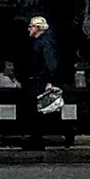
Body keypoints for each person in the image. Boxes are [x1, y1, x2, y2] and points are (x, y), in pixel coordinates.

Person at [23, 16, 60, 150]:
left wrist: (49, 81)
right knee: (35, 112)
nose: (29, 29)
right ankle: (36, 140)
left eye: (31, 26)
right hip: (37, 80)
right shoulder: (41, 42)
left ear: (38, 28)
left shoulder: (44, 43)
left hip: (39, 82)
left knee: (36, 111)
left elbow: (50, 62)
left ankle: (37, 141)